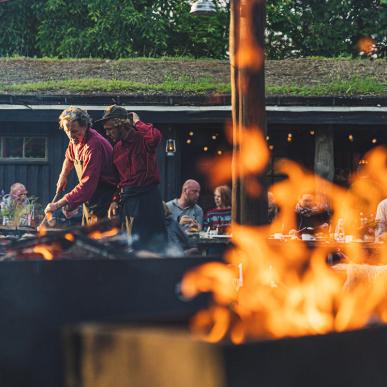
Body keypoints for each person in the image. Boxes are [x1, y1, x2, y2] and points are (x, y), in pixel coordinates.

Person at [98, 105, 167, 251]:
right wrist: (115, 200)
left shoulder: (142, 139)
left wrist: (137, 122)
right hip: (129, 202)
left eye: (110, 129)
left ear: (121, 125)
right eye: (106, 130)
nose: (107, 133)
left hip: (148, 199)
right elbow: (118, 179)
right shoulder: (117, 148)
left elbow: (155, 137)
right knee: (132, 247)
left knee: (155, 246)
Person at [44, 107, 118, 225]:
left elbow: (87, 185)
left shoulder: (93, 145)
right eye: (66, 130)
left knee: (98, 239)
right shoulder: (75, 139)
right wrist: (63, 176)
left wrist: (57, 204)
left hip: (104, 198)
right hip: (90, 199)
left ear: (85, 126)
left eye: (74, 131)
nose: (70, 135)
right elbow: (69, 157)